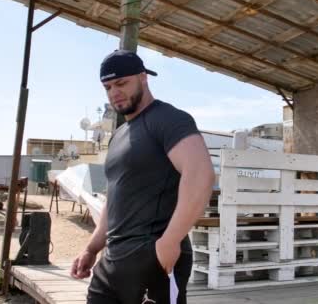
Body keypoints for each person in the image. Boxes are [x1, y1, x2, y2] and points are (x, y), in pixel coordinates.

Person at [71, 49, 215, 304]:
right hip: (113, 260)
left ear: (143, 77)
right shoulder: (118, 135)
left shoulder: (169, 119)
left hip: (154, 255)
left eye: (122, 83)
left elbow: (200, 174)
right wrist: (92, 248)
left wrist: (170, 241)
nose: (114, 91)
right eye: (108, 86)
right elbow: (113, 199)